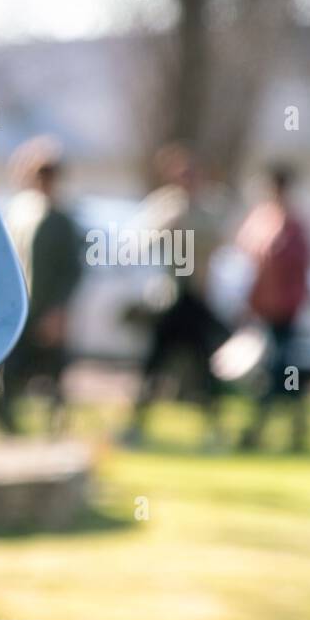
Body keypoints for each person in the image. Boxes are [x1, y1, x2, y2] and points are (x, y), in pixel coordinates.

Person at [120, 144, 228, 448]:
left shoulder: (209, 208)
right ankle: (135, 425)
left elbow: (220, 243)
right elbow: (137, 239)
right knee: (155, 364)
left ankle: (213, 430)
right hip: (174, 297)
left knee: (204, 366)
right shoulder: (168, 207)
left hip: (197, 299)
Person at [0, 136, 84, 434]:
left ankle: (55, 424)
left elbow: (72, 268)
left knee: (53, 368)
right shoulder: (19, 213)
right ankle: (4, 419)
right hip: (20, 303)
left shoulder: (61, 219)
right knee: (10, 364)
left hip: (46, 305)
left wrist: (58, 309)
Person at [235, 163, 310, 452]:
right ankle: (289, 429)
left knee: (281, 369)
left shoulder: (294, 226)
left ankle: (261, 430)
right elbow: (245, 264)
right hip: (261, 309)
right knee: (275, 371)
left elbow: (301, 268)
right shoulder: (260, 222)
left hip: (286, 311)